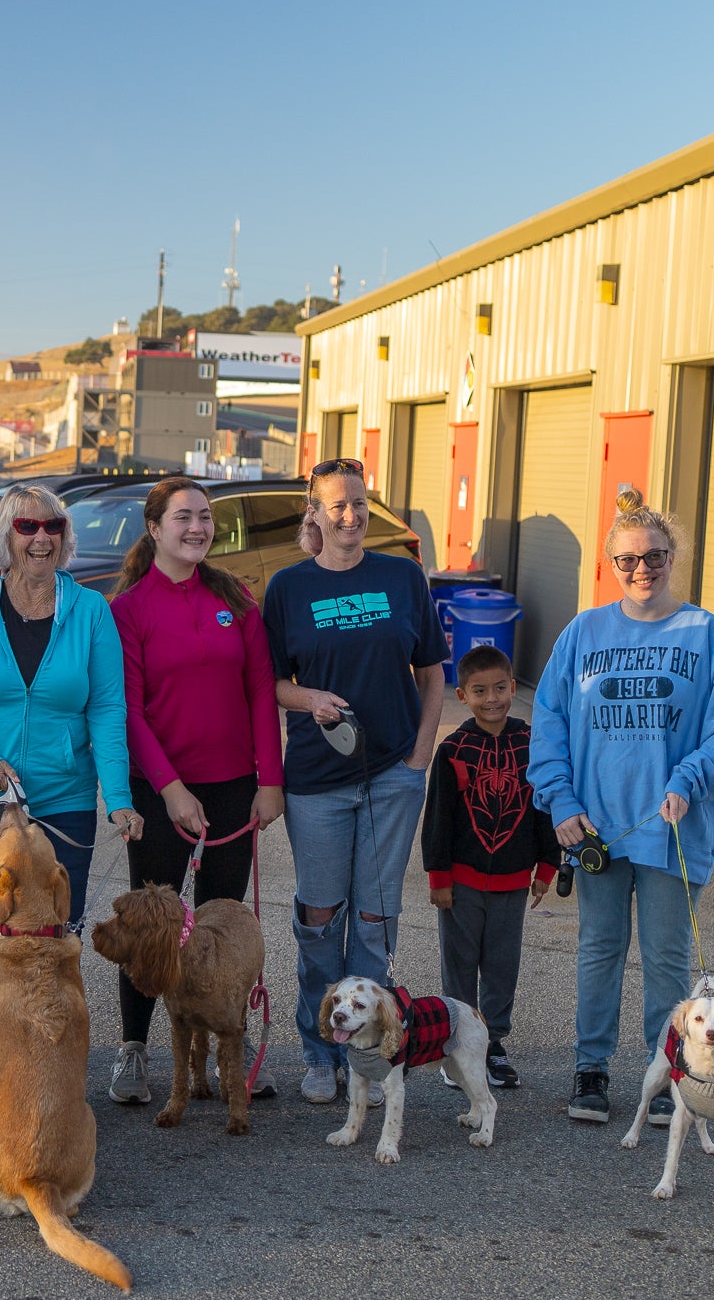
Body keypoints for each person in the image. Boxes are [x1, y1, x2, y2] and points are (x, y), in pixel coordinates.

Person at [530, 488, 714, 1127]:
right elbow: (548, 720)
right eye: (628, 559)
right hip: (596, 825)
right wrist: (560, 802)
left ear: (672, 556)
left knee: (666, 955)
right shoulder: (584, 632)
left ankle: (669, 1071)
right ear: (611, 563)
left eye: (654, 556)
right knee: (600, 946)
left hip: (669, 829)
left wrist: (692, 776)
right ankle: (591, 1067)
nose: (642, 569)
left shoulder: (705, 633)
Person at [263, 458, 447, 1105]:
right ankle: (319, 1048)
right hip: (318, 780)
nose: (352, 515)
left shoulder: (401, 575)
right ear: (314, 512)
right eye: (337, 505)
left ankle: (368, 1048)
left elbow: (432, 672)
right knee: (320, 918)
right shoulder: (287, 587)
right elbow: (272, 683)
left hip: (393, 775)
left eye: (360, 502)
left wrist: (419, 758)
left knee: (374, 916)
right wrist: (309, 696)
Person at [105, 477, 284, 1105]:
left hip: (235, 789)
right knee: (151, 928)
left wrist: (270, 781)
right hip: (161, 794)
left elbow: (261, 690)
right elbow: (128, 711)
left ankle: (215, 1058)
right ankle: (134, 1050)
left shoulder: (235, 597)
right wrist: (171, 789)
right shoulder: (127, 609)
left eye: (205, 518)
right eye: (183, 517)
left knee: (217, 929)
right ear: (154, 528)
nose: (197, 528)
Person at [0, 485, 142, 957]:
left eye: (52, 526)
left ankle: (52, 1032)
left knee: (57, 936)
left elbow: (108, 709)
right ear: (5, 537)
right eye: (26, 526)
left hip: (64, 800)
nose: (40, 537)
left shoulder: (92, 611)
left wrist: (118, 798)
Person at [420, 644, 561, 1092]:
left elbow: (544, 808)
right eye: (480, 691)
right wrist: (438, 877)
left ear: (514, 688)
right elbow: (438, 817)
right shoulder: (454, 750)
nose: (492, 698)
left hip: (513, 881)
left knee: (502, 963)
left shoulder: (531, 744)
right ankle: (458, 1045)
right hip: (460, 881)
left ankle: (493, 1044)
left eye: (500, 688)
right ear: (462, 695)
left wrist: (546, 865)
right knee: (460, 963)